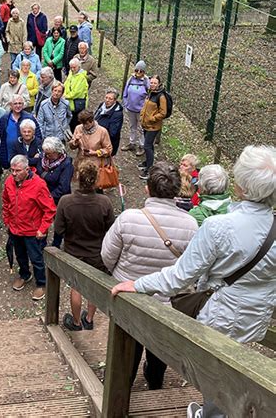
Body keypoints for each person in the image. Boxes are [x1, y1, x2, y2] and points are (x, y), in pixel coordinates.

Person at [111, 145, 276, 418]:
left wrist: (137, 284)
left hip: (223, 316)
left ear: (242, 187)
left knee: (216, 371)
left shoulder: (218, 227)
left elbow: (179, 277)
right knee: (232, 365)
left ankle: (212, 414)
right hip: (256, 316)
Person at [102, 162, 197, 389]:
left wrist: (122, 274)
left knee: (127, 343)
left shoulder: (128, 219)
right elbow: (191, 269)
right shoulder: (191, 225)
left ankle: (120, 386)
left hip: (128, 296)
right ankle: (155, 382)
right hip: (167, 302)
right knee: (160, 346)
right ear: (177, 191)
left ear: (147, 188)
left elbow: (107, 255)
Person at [56, 161, 115, 330]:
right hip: (97, 253)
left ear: (77, 178)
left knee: (76, 287)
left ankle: (75, 322)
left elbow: (59, 229)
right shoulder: (104, 203)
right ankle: (89, 319)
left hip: (73, 252)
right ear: (96, 179)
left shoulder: (65, 202)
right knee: (93, 286)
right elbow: (111, 229)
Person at [2, 155, 56, 301]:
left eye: (17, 170)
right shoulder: (9, 182)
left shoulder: (39, 185)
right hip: (15, 229)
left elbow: (50, 209)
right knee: (20, 255)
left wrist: (42, 229)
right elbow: (6, 202)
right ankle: (25, 275)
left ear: (27, 170)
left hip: (32, 232)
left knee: (36, 258)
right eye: (12, 170)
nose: (13, 174)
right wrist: (7, 220)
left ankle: (41, 284)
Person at [0, 95, 42, 169]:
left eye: (20, 103)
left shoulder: (29, 117)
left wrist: (35, 154)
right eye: (15, 103)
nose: (18, 106)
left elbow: (38, 136)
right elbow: (0, 138)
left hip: (28, 156)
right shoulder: (4, 119)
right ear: (11, 105)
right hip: (9, 155)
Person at [139, 75, 167, 180]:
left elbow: (163, 113)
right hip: (146, 124)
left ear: (159, 84)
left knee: (147, 146)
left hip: (153, 126)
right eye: (151, 82)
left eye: (155, 83)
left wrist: (152, 118)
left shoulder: (161, 96)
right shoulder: (150, 93)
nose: (153, 84)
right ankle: (147, 162)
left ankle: (150, 170)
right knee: (149, 145)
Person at [121, 61, 149, 156]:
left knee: (141, 128)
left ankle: (142, 146)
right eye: (137, 70)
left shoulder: (146, 81)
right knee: (132, 126)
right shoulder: (131, 79)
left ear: (144, 72)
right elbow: (125, 92)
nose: (138, 72)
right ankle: (132, 143)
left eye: (141, 71)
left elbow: (149, 96)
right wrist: (125, 103)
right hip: (130, 108)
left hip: (141, 110)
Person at [36, 136, 74, 206]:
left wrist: (47, 198)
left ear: (58, 152)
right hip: (41, 196)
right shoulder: (42, 157)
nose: (46, 156)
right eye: (45, 153)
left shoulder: (66, 164)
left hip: (56, 201)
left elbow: (63, 189)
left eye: (49, 154)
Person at [94, 87, 124, 156]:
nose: (107, 100)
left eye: (110, 99)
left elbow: (113, 133)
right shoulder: (102, 105)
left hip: (107, 144)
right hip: (96, 140)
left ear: (115, 100)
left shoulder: (117, 114)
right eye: (106, 97)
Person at [64, 57, 89, 132]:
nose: (72, 69)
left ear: (78, 66)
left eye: (74, 67)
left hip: (77, 104)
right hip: (70, 103)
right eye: (71, 67)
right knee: (71, 123)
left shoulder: (81, 77)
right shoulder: (71, 73)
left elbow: (76, 92)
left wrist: (65, 96)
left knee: (76, 123)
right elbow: (66, 84)